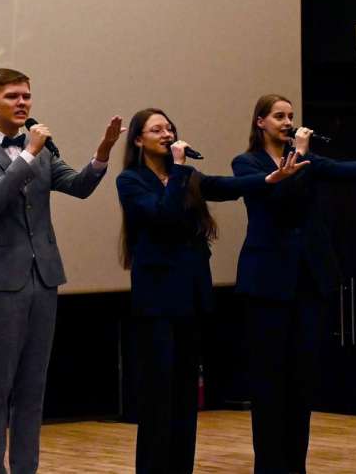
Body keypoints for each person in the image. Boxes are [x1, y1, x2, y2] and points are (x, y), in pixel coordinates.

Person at [0, 68, 125, 474]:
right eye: (12, 96)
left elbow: (78, 186)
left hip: (43, 276)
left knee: (33, 386)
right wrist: (28, 154)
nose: (23, 103)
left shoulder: (43, 150)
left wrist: (101, 153)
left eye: (27, 96)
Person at [116, 108, 305, 474]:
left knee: (186, 396)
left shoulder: (184, 175)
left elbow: (225, 186)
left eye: (169, 127)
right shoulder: (131, 180)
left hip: (191, 296)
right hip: (157, 300)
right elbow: (163, 215)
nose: (167, 133)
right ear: (139, 139)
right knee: (159, 397)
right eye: (157, 130)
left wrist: (270, 178)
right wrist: (180, 169)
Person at [232, 94, 356, 474]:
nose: (287, 121)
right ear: (260, 121)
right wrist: (298, 154)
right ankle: (270, 466)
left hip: (307, 279)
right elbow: (280, 198)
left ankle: (296, 465)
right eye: (279, 116)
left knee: (300, 381)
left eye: (291, 115)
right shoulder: (247, 163)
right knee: (269, 381)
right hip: (268, 282)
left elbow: (335, 167)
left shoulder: (309, 158)